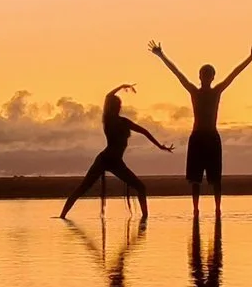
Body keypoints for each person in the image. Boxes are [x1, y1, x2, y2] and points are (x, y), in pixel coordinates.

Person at [147, 39, 252, 212]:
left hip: (211, 137)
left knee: (215, 178)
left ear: (212, 77)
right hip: (198, 137)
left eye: (209, 75)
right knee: (195, 179)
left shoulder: (217, 91)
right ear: (200, 77)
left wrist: (251, 57)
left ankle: (217, 208)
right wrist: (161, 55)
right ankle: (196, 209)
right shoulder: (194, 91)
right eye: (204, 75)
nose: (206, 78)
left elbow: (234, 74)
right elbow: (177, 73)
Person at [60, 85, 171, 221]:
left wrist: (160, 146)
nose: (118, 107)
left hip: (117, 162)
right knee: (83, 187)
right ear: (111, 107)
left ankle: (145, 219)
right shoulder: (108, 120)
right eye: (116, 105)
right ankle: (62, 216)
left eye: (119, 105)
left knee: (141, 187)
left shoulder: (124, 122)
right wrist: (122, 86)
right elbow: (108, 96)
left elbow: (144, 131)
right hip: (104, 159)